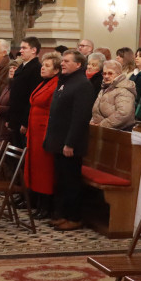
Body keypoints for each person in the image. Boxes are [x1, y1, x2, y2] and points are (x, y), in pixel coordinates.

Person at [44, 51, 95, 231]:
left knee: (71, 182)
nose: (62, 64)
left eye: (66, 61)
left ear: (78, 65)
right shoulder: (66, 81)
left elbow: (80, 117)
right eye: (62, 60)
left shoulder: (83, 85)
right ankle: (63, 214)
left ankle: (74, 217)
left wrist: (70, 143)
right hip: (59, 141)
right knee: (62, 181)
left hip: (70, 143)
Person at [26, 52, 61, 219]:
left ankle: (46, 207)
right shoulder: (44, 83)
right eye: (43, 65)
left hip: (44, 133)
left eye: (47, 66)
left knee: (44, 172)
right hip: (34, 132)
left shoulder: (55, 84)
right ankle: (38, 203)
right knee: (35, 169)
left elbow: (53, 111)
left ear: (56, 70)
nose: (43, 68)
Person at [7, 37, 43, 147]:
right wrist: (10, 118)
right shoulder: (22, 67)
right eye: (20, 48)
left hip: (23, 117)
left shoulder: (36, 68)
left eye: (24, 48)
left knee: (21, 150)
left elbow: (32, 97)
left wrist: (25, 122)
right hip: (15, 116)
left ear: (34, 50)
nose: (20, 51)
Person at [90, 60, 137, 130]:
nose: (106, 76)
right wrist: (93, 121)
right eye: (104, 73)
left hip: (118, 132)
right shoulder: (105, 87)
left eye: (110, 73)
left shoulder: (123, 90)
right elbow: (97, 108)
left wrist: (103, 124)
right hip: (102, 129)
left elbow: (123, 113)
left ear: (119, 74)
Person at [0, 59, 22, 142]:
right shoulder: (8, 85)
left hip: (7, 126)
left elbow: (16, 107)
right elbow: (1, 102)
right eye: (10, 68)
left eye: (14, 68)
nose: (11, 70)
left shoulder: (19, 87)